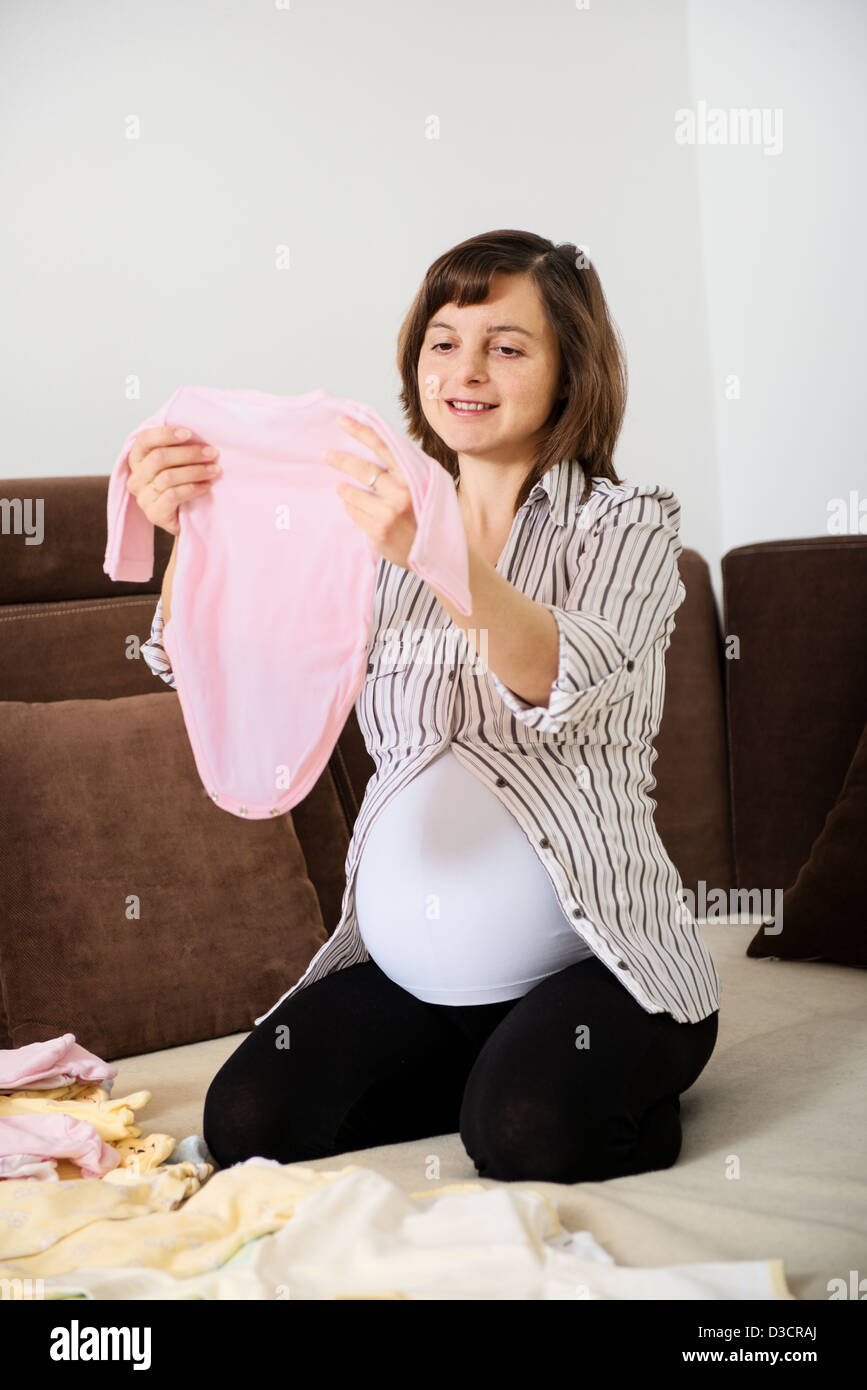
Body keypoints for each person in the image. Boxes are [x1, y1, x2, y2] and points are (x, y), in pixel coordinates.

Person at [129, 228, 720, 1184]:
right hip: (417, 978)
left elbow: (556, 676)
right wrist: (191, 539)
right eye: (444, 341)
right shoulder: (364, 523)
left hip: (605, 962)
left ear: (571, 372)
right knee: (248, 1120)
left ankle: (594, 1077)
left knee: (530, 1135)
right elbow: (234, 663)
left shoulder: (627, 523)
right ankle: (487, 1067)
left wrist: (434, 553)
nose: (467, 369)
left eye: (507, 345)